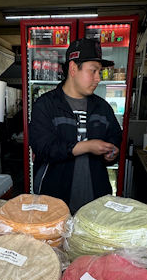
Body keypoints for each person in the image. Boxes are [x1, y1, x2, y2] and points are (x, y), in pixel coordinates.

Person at [29, 38, 122, 214]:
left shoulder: (103, 107)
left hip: (96, 200)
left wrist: (112, 153)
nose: (98, 79)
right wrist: (87, 146)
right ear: (73, 69)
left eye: (100, 72)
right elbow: (44, 147)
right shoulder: (46, 105)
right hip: (53, 200)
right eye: (93, 71)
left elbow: (116, 137)